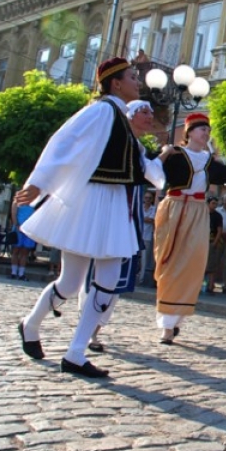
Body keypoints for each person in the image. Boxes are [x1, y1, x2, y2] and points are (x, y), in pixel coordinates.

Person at [15, 57, 166, 378]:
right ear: (115, 83)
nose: (137, 82)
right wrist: (37, 184)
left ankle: (66, 346)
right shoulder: (101, 111)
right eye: (132, 77)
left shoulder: (123, 124)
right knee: (71, 282)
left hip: (111, 205)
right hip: (92, 202)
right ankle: (40, 331)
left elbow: (150, 171)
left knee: (100, 280)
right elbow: (64, 143)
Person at [153, 113, 226, 345]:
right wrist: (164, 153)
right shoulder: (174, 154)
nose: (206, 133)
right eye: (202, 129)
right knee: (169, 261)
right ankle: (166, 322)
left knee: (192, 264)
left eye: (208, 130)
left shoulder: (209, 162)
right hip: (174, 208)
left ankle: (175, 322)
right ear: (190, 132)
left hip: (197, 211)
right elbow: (149, 169)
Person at [87, 98, 158, 353]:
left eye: (151, 111)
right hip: (107, 217)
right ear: (130, 116)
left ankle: (93, 329)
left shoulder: (139, 147)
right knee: (91, 277)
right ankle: (87, 331)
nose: (150, 115)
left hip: (128, 220)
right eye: (144, 111)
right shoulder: (116, 141)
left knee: (115, 278)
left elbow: (155, 176)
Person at [9, 199, 36, 281]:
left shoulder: (33, 202)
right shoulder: (17, 201)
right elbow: (13, 214)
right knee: (16, 251)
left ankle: (21, 273)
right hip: (18, 228)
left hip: (29, 229)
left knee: (25, 252)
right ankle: (13, 272)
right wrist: (16, 224)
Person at [205, 196, 224, 295]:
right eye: (213, 203)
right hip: (202, 241)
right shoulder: (203, 214)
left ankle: (210, 287)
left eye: (216, 203)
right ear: (208, 203)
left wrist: (214, 243)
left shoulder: (218, 216)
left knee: (211, 266)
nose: (214, 205)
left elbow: (219, 231)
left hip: (212, 241)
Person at [139, 190, 157, 286]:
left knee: (144, 259)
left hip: (147, 236)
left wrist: (142, 218)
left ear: (152, 199)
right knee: (133, 257)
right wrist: (144, 219)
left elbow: (151, 220)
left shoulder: (153, 209)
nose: (147, 200)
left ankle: (141, 279)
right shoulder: (140, 207)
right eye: (146, 198)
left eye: (149, 198)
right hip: (138, 235)